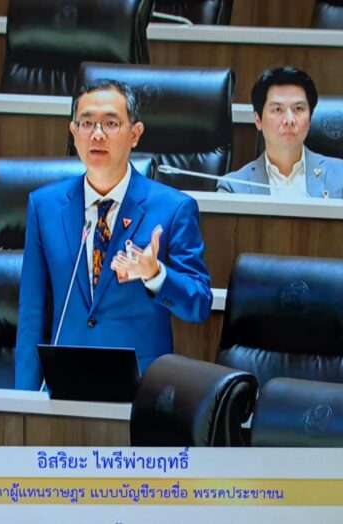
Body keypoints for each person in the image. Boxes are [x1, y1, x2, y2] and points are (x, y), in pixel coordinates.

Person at [15, 79, 212, 390]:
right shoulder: (45, 206)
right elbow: (32, 313)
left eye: (110, 123)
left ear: (135, 134)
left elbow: (199, 304)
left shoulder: (173, 208)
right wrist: (24, 403)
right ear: (73, 133)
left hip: (140, 391)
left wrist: (156, 274)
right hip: (65, 386)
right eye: (87, 123)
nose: (97, 134)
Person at [217, 66, 343, 199]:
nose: (289, 120)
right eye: (277, 109)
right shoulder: (234, 188)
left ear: (310, 119)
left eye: (298, 109)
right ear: (258, 120)